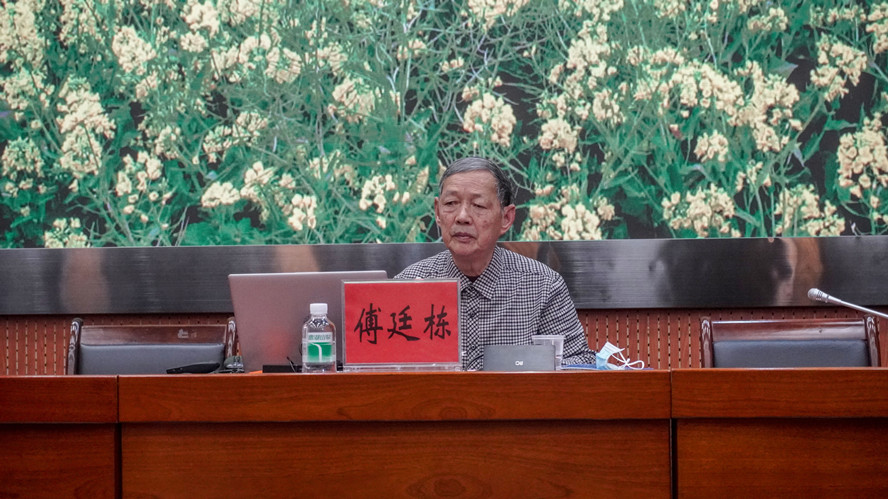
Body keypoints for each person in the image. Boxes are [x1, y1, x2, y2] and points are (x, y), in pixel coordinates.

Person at [395, 156, 597, 370]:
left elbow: (578, 365)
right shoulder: (408, 285)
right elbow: (382, 368)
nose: (462, 217)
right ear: (437, 212)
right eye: (451, 203)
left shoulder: (544, 286)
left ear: (506, 218)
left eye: (478, 205)